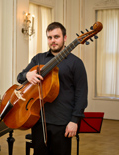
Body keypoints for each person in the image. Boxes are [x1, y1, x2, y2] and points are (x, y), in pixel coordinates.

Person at [17, 22, 88, 155]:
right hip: (39, 119)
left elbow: (81, 94)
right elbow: (20, 77)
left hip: (62, 121)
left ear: (65, 38)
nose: (53, 41)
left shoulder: (76, 63)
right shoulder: (39, 59)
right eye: (50, 38)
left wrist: (74, 120)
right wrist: (28, 74)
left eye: (56, 37)